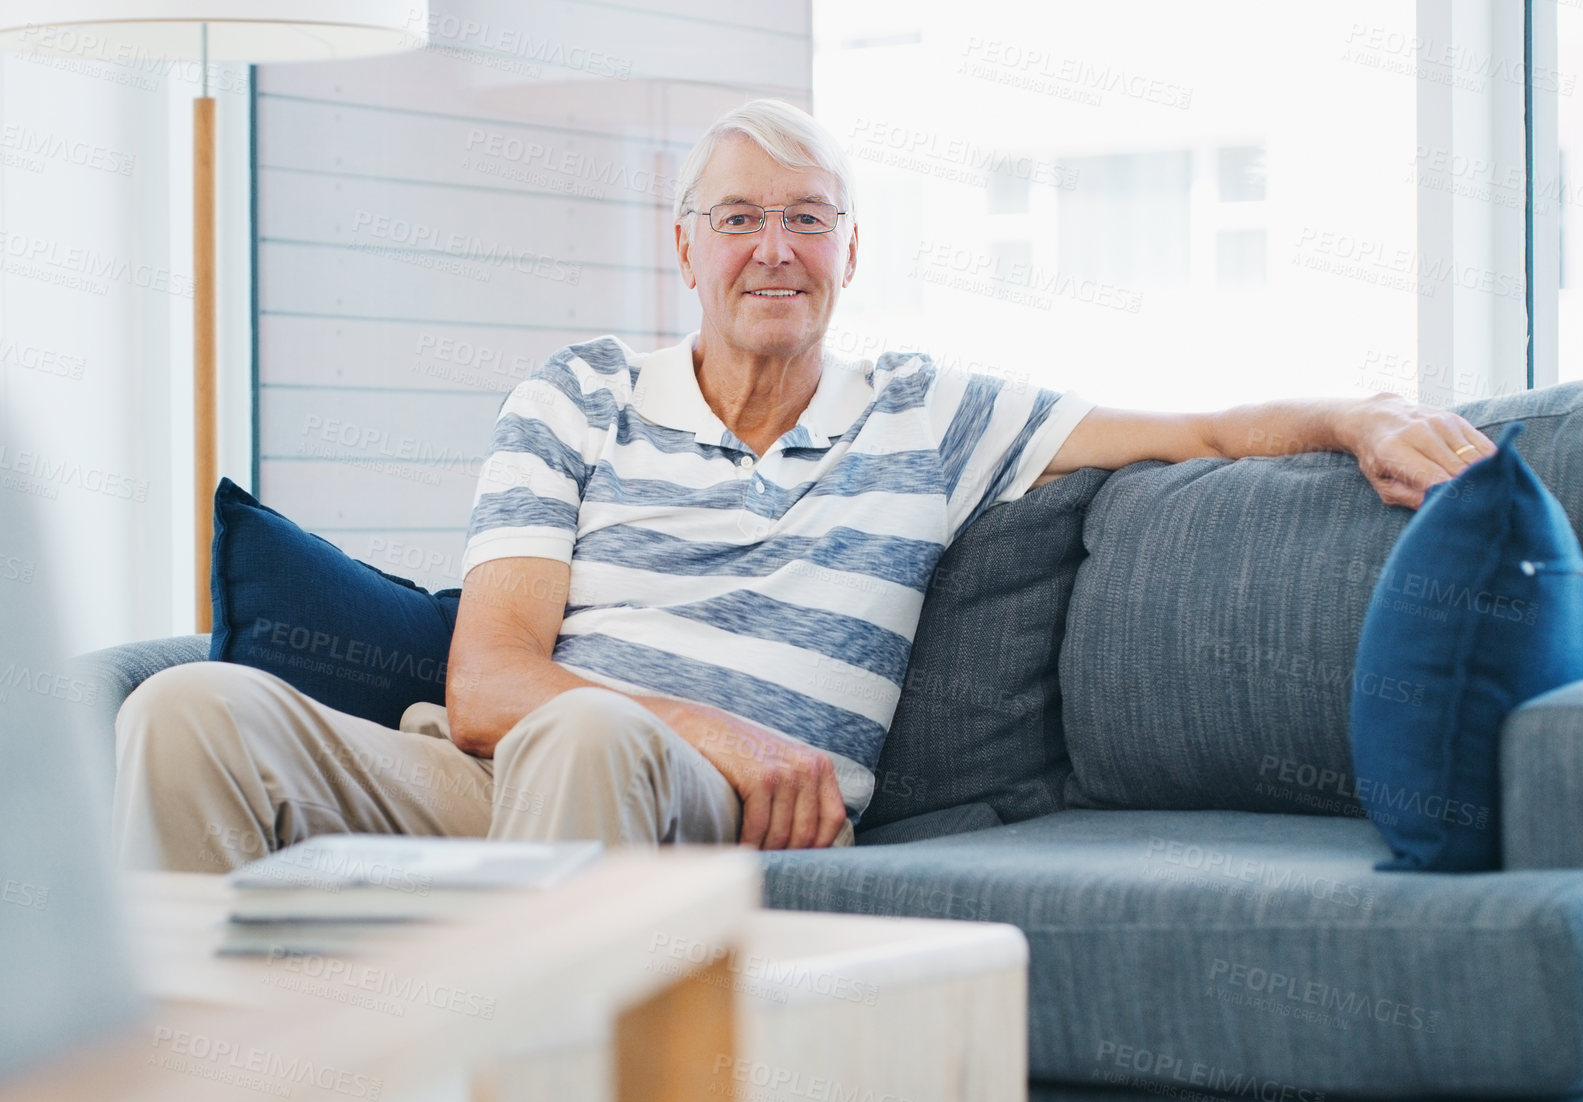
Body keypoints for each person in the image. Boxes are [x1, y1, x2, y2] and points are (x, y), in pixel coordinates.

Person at [113, 100, 1495, 871]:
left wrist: (1359, 408)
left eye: (807, 218)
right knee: (185, 711)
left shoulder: (931, 415)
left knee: (591, 743)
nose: (773, 248)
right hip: (504, 772)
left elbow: (1195, 431)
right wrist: (726, 729)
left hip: (686, 810)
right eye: (738, 219)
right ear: (685, 250)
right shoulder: (576, 394)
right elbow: (488, 683)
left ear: (850, 251)